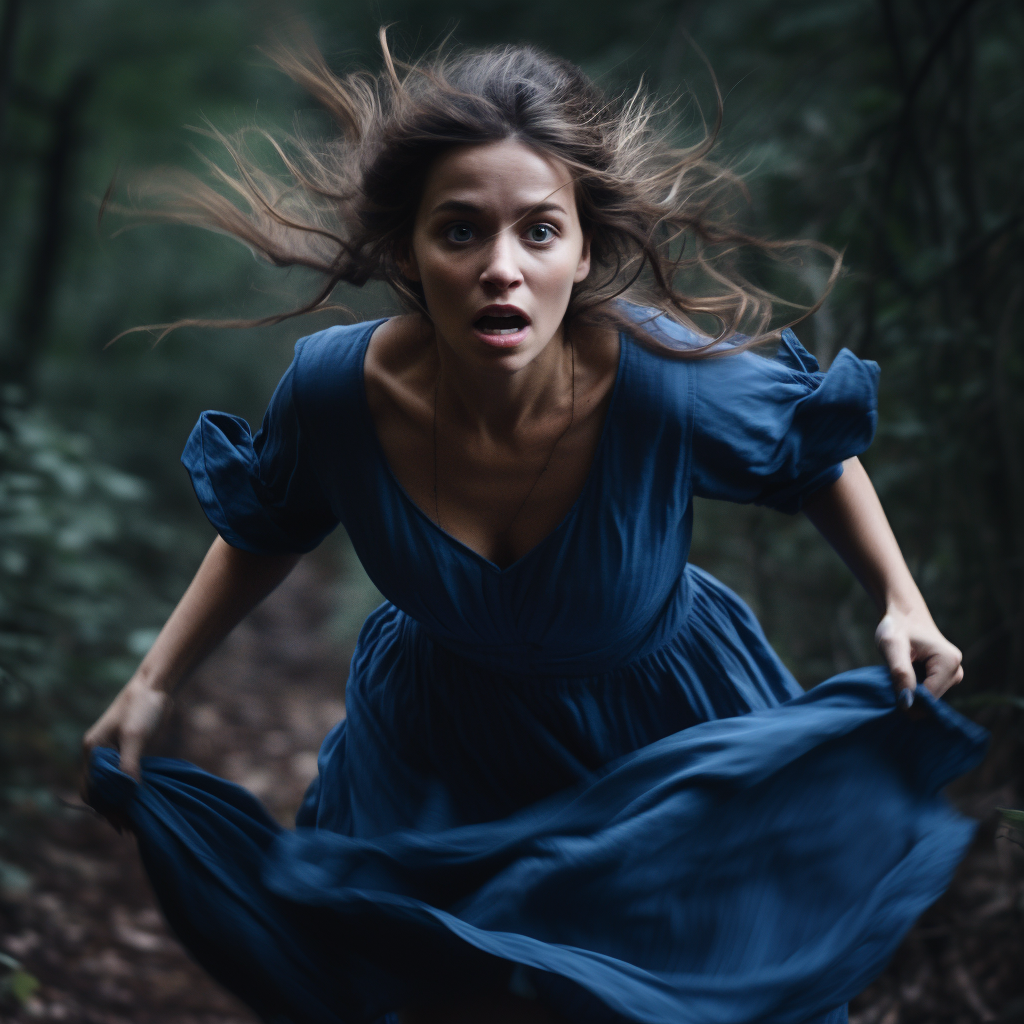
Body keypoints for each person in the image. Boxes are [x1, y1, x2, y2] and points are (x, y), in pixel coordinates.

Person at [83, 33, 987, 1024]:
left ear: (584, 248)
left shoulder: (663, 381)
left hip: (655, 730)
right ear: (407, 250)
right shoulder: (336, 393)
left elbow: (814, 454)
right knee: (451, 993)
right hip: (436, 745)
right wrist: (152, 681)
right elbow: (268, 524)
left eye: (539, 232)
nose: (500, 268)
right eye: (461, 231)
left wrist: (902, 601)